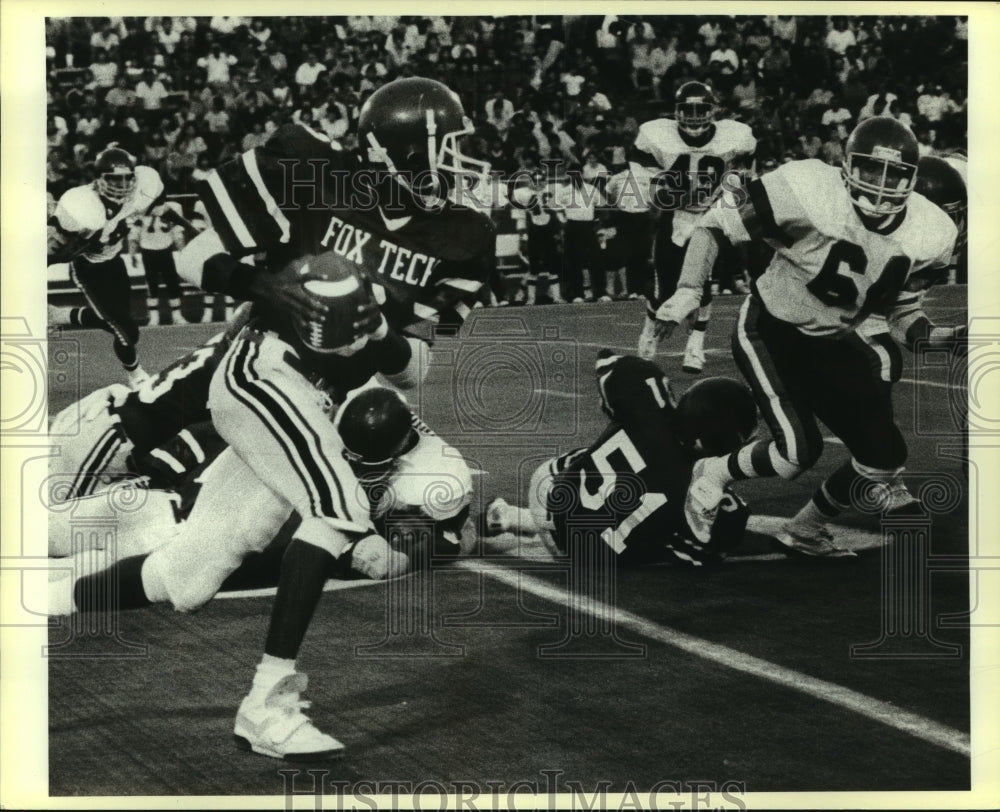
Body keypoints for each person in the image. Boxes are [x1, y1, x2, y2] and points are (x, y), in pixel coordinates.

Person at [138, 77, 494, 761]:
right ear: (402, 150)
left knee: (190, 576)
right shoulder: (316, 173)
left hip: (327, 403)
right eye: (447, 147)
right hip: (266, 370)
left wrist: (373, 328)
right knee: (339, 508)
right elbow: (188, 253)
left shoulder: (464, 235)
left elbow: (413, 368)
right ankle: (267, 703)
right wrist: (271, 288)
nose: (458, 162)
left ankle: (43, 595)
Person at [653, 117, 965, 557]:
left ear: (911, 179)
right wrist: (688, 288)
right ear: (847, 165)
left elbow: (902, 314)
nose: (880, 185)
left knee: (883, 457)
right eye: (870, 169)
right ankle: (711, 473)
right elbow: (715, 223)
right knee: (798, 453)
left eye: (893, 174)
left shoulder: (932, 231)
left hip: (832, 343)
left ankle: (803, 530)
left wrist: (951, 338)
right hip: (770, 329)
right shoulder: (807, 186)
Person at [50, 385, 474, 619]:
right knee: (48, 536)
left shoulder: (433, 476)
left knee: (61, 580)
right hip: (168, 510)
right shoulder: (330, 404)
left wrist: (435, 544)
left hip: (180, 535)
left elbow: (434, 541)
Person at [486, 350, 758, 566]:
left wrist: (618, 412)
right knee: (672, 526)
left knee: (597, 462)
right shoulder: (700, 486)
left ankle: (510, 517)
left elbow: (607, 362)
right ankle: (518, 523)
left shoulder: (650, 401)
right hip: (582, 556)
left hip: (547, 491)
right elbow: (696, 555)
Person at [48, 305, 253, 503]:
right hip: (111, 440)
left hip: (112, 429)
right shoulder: (232, 372)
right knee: (58, 515)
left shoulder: (222, 349)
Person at [633, 81, 757, 372]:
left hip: (711, 215)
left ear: (712, 110)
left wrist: (731, 194)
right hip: (676, 215)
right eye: (687, 110)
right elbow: (644, 184)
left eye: (700, 109)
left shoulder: (735, 137)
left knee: (702, 282)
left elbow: (744, 177)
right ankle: (650, 327)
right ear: (676, 111)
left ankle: (695, 344)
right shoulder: (656, 136)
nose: (694, 116)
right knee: (665, 289)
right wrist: (664, 193)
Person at [48, 144, 171, 385]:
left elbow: (159, 202)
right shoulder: (84, 205)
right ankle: (137, 376)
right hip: (88, 268)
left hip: (114, 262)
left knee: (123, 324)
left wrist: (167, 213)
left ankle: (60, 315)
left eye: (127, 178)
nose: (122, 185)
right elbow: (51, 249)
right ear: (99, 179)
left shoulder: (144, 186)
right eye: (115, 179)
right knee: (125, 330)